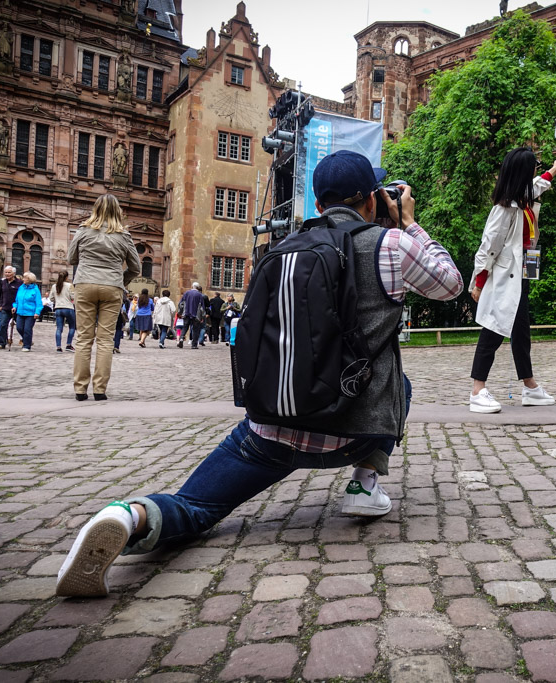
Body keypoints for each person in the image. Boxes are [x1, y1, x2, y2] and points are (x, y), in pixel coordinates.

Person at [56, 149, 462, 598]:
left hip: (272, 429)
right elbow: (450, 284)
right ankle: (364, 485)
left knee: (194, 507)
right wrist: (408, 222)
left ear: (319, 204)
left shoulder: (283, 249)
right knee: (399, 382)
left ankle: (126, 516)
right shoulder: (390, 244)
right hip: (357, 431)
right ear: (371, 199)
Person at [468, 147, 556, 413]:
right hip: (503, 276)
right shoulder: (504, 209)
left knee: (521, 331)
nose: (537, 168)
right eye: (534, 165)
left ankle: (530, 386)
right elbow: (488, 248)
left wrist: (555, 169)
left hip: (521, 271)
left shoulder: (523, 198)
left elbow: (539, 185)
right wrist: (479, 283)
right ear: (524, 171)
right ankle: (477, 389)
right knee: (493, 327)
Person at [68, 193, 140, 402]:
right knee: (106, 339)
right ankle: (99, 389)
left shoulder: (83, 230)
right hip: (112, 286)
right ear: (118, 211)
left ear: (95, 209)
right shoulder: (123, 236)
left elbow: (71, 258)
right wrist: (120, 280)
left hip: (85, 284)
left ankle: (80, 389)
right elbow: (136, 267)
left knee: (83, 338)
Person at [12, 272, 42, 352]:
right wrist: (15, 306)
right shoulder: (21, 288)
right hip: (20, 312)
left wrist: (37, 312)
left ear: (30, 280)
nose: (23, 279)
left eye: (25, 278)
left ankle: (27, 345)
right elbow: (17, 299)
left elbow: (38, 302)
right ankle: (27, 340)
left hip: (30, 313)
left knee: (27, 329)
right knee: (19, 328)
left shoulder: (35, 290)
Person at [0, 266, 22, 349]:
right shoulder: (3, 282)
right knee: (3, 325)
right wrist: (0, 305)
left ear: (13, 273)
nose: (7, 274)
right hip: (5, 307)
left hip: (17, 308)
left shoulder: (19, 283)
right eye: (6, 272)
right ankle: (2, 343)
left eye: (9, 272)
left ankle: (26, 340)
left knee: (20, 326)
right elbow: (1, 294)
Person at [50, 271, 76, 353]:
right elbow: (73, 297)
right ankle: (68, 344)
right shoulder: (69, 285)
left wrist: (57, 300)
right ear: (67, 277)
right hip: (68, 307)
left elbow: (51, 298)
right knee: (72, 327)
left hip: (58, 308)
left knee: (59, 328)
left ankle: (58, 347)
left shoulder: (54, 286)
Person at [177, 282, 206, 349]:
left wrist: (180, 313)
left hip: (186, 313)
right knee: (196, 329)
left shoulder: (186, 293)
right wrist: (202, 316)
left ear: (192, 286)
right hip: (196, 315)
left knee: (185, 327)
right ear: (198, 287)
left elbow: (181, 304)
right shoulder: (199, 295)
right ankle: (194, 345)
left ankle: (181, 338)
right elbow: (202, 307)